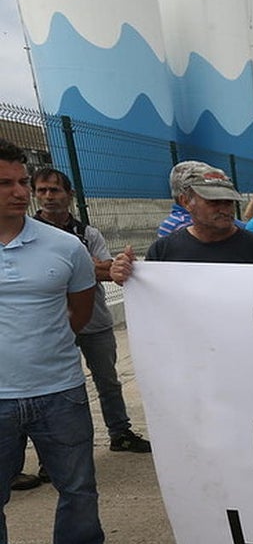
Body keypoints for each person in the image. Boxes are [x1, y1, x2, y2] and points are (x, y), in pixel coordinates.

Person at [0, 138, 111, 544]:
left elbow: (79, 313)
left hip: (59, 390)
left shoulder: (65, 247)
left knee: (78, 484)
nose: (19, 191)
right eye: (5, 183)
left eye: (23, 181)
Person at [31, 168, 151, 455]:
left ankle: (120, 432)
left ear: (69, 196)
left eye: (55, 190)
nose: (48, 197)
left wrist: (91, 268)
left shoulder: (88, 232)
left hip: (94, 322)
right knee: (51, 388)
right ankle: (53, 450)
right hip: (51, 325)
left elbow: (110, 273)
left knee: (107, 380)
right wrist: (89, 266)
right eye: (42, 190)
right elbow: (85, 271)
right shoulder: (30, 234)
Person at [110, 163, 253, 282]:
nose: (224, 209)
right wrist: (128, 275)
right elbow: (150, 295)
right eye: (213, 201)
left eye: (228, 201)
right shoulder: (163, 250)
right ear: (185, 201)